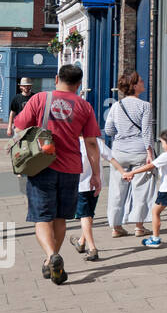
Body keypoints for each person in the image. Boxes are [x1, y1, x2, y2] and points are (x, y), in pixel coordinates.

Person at [11, 63, 102, 285]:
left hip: (42, 165)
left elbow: (19, 124)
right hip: (71, 169)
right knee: (61, 218)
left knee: (42, 217)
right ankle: (50, 260)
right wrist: (96, 175)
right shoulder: (84, 106)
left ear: (56, 78)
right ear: (79, 84)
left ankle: (51, 256)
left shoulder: (39, 99)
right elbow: (91, 143)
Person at [102, 70, 155, 237]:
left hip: (119, 153)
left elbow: (109, 130)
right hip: (139, 151)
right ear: (133, 85)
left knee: (117, 190)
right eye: (140, 81)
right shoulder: (145, 106)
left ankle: (116, 227)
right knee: (141, 189)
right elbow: (147, 132)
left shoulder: (116, 106)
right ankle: (139, 226)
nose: (143, 82)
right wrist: (150, 153)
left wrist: (122, 133)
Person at [122, 129, 167, 248]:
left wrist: (132, 172)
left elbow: (150, 166)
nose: (162, 145)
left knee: (155, 212)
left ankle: (155, 239)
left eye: (162, 143)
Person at [70, 136, 103, 261]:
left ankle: (92, 248)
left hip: (80, 186)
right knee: (89, 215)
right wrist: (123, 172)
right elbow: (110, 157)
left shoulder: (72, 143)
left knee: (84, 216)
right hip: (95, 185)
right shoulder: (96, 141)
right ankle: (81, 242)